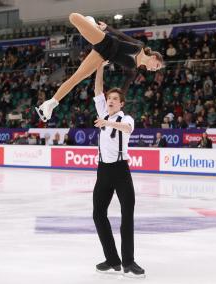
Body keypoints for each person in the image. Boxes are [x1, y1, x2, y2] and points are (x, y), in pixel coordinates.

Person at [35, 13, 163, 122]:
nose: (154, 69)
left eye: (156, 69)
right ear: (154, 57)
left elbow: (123, 90)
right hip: (105, 41)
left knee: (76, 78)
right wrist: (107, 27)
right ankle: (93, 25)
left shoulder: (133, 70)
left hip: (102, 57)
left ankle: (50, 104)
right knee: (73, 17)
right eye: (156, 66)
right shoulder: (140, 45)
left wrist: (116, 103)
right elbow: (121, 36)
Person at [91, 62, 144, 278]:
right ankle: (113, 259)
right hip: (103, 171)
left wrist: (107, 122)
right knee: (98, 214)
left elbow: (127, 128)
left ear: (121, 104)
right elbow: (97, 89)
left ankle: (129, 262)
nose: (110, 101)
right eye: (109, 99)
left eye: (114, 99)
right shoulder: (103, 112)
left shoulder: (125, 118)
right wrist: (99, 66)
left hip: (121, 171)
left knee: (127, 215)